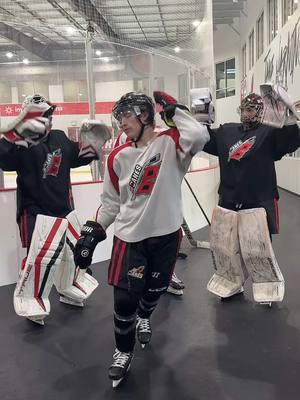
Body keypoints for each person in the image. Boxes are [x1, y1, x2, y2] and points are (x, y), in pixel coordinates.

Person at [74, 91, 209, 387]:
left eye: (126, 115)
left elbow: (199, 135)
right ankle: (123, 352)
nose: (121, 122)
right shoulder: (117, 156)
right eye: (118, 116)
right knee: (124, 301)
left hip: (165, 237)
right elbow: (110, 203)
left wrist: (174, 111)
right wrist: (93, 231)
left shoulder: (172, 142)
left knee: (155, 291)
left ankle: (144, 317)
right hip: (129, 238)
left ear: (145, 115)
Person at [0, 94, 110, 325]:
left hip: (63, 208)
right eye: (41, 117)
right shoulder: (21, 143)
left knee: (70, 254)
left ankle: (67, 287)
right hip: (34, 211)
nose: (47, 121)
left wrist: (93, 140)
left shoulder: (59, 137)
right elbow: (5, 161)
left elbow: (81, 157)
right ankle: (31, 298)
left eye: (49, 116)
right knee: (37, 257)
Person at [202, 88, 300, 304]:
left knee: (258, 247)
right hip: (228, 197)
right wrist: (199, 121)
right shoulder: (227, 131)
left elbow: (291, 141)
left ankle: (267, 284)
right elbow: (205, 140)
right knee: (225, 246)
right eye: (244, 109)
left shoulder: (270, 132)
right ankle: (231, 282)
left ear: (262, 111)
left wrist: (291, 120)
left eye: (252, 109)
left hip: (258, 198)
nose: (247, 114)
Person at [114, 131, 185, 296]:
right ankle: (141, 277)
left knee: (171, 235)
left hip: (163, 194)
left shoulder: (161, 133)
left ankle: (165, 274)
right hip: (139, 196)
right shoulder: (125, 137)